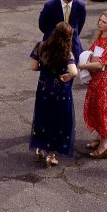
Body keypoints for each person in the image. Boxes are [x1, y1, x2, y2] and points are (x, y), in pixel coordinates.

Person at [29, 22, 79, 167]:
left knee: (42, 117)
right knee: (58, 120)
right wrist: (67, 76)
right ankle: (51, 155)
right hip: (60, 91)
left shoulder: (41, 46)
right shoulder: (66, 53)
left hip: (44, 88)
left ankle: (39, 147)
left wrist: (44, 70)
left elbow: (33, 66)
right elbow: (74, 71)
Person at [79, 12, 107, 159]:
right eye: (100, 20)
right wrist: (89, 62)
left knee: (101, 112)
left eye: (104, 22)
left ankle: (104, 146)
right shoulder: (99, 38)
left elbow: (100, 64)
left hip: (105, 83)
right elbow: (91, 54)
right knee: (94, 108)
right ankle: (99, 137)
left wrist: (85, 65)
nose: (100, 23)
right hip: (95, 80)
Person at [39, 0, 87, 64]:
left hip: (73, 48)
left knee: (70, 75)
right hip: (52, 48)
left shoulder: (81, 6)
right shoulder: (50, 6)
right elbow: (42, 26)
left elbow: (79, 26)